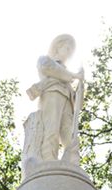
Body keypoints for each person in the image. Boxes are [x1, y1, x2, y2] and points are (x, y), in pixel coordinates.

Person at [24, 34, 84, 169]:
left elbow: (78, 105)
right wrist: (74, 75)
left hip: (67, 102)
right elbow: (48, 67)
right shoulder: (45, 60)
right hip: (53, 95)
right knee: (51, 131)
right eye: (66, 48)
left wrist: (81, 85)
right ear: (58, 47)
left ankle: (74, 164)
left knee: (71, 138)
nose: (69, 53)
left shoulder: (68, 76)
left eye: (70, 50)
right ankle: (48, 161)